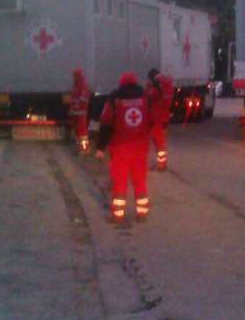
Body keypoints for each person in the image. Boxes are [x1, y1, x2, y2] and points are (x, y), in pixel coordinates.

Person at [95, 71, 151, 225]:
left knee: (119, 183)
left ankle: (117, 215)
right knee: (140, 182)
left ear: (121, 84)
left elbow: (105, 126)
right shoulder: (145, 99)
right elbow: (150, 121)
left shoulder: (114, 101)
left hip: (120, 149)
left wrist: (100, 147)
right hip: (140, 148)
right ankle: (142, 213)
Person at [145, 68, 173, 171]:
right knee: (160, 142)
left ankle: (161, 164)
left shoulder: (155, 86)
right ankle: (161, 163)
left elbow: (149, 97)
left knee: (157, 143)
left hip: (155, 118)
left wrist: (147, 87)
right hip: (164, 118)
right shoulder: (167, 84)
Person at [68, 68, 91, 155]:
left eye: (75, 75)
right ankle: (80, 148)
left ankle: (85, 149)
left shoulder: (83, 85)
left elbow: (83, 99)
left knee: (82, 133)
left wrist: (78, 107)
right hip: (76, 114)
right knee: (78, 132)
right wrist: (71, 109)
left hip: (81, 114)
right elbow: (73, 99)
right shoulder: (75, 85)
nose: (74, 77)